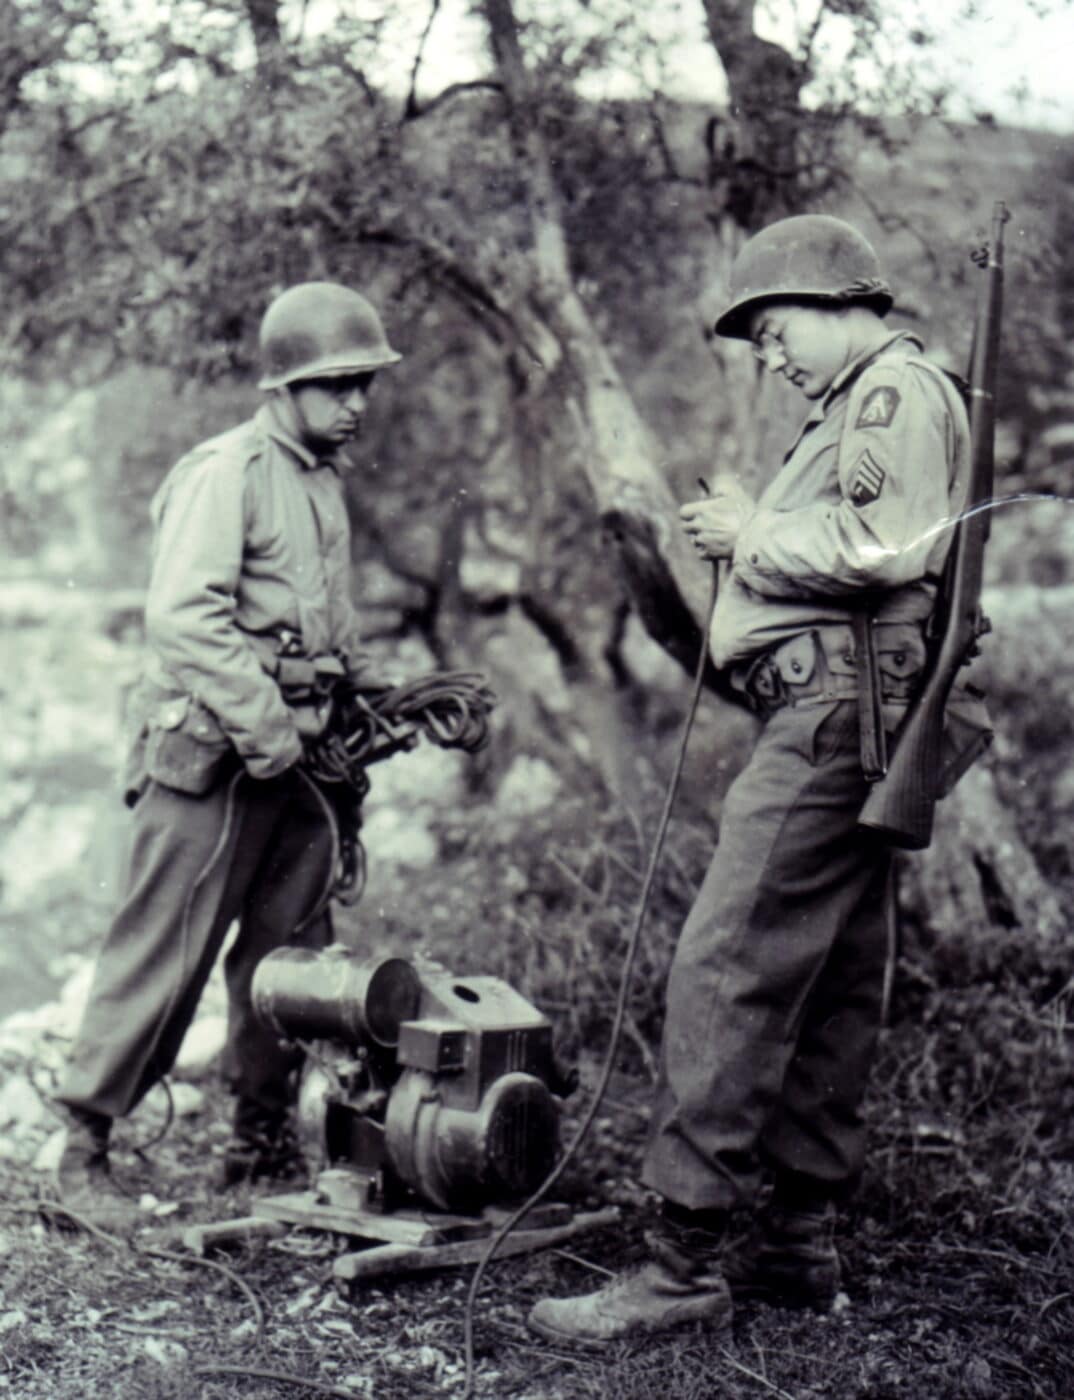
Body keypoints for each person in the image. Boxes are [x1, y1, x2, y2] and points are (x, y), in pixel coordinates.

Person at [529, 214, 984, 1344]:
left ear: (840, 305)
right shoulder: (869, 400)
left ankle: (681, 1259)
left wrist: (751, 529)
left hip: (834, 718)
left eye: (777, 330)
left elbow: (888, 544)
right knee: (835, 975)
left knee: (725, 961)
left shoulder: (893, 391)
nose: (771, 356)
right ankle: (796, 1241)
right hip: (850, 714)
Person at [52, 282, 403, 1229]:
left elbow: (323, 628)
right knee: (165, 950)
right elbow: (183, 621)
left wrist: (376, 689)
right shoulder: (227, 472)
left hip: (300, 762)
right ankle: (82, 1150)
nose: (355, 402)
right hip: (215, 757)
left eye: (363, 383)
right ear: (281, 386)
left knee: (293, 959)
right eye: (335, 386)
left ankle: (259, 1141)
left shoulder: (321, 480)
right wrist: (268, 728)